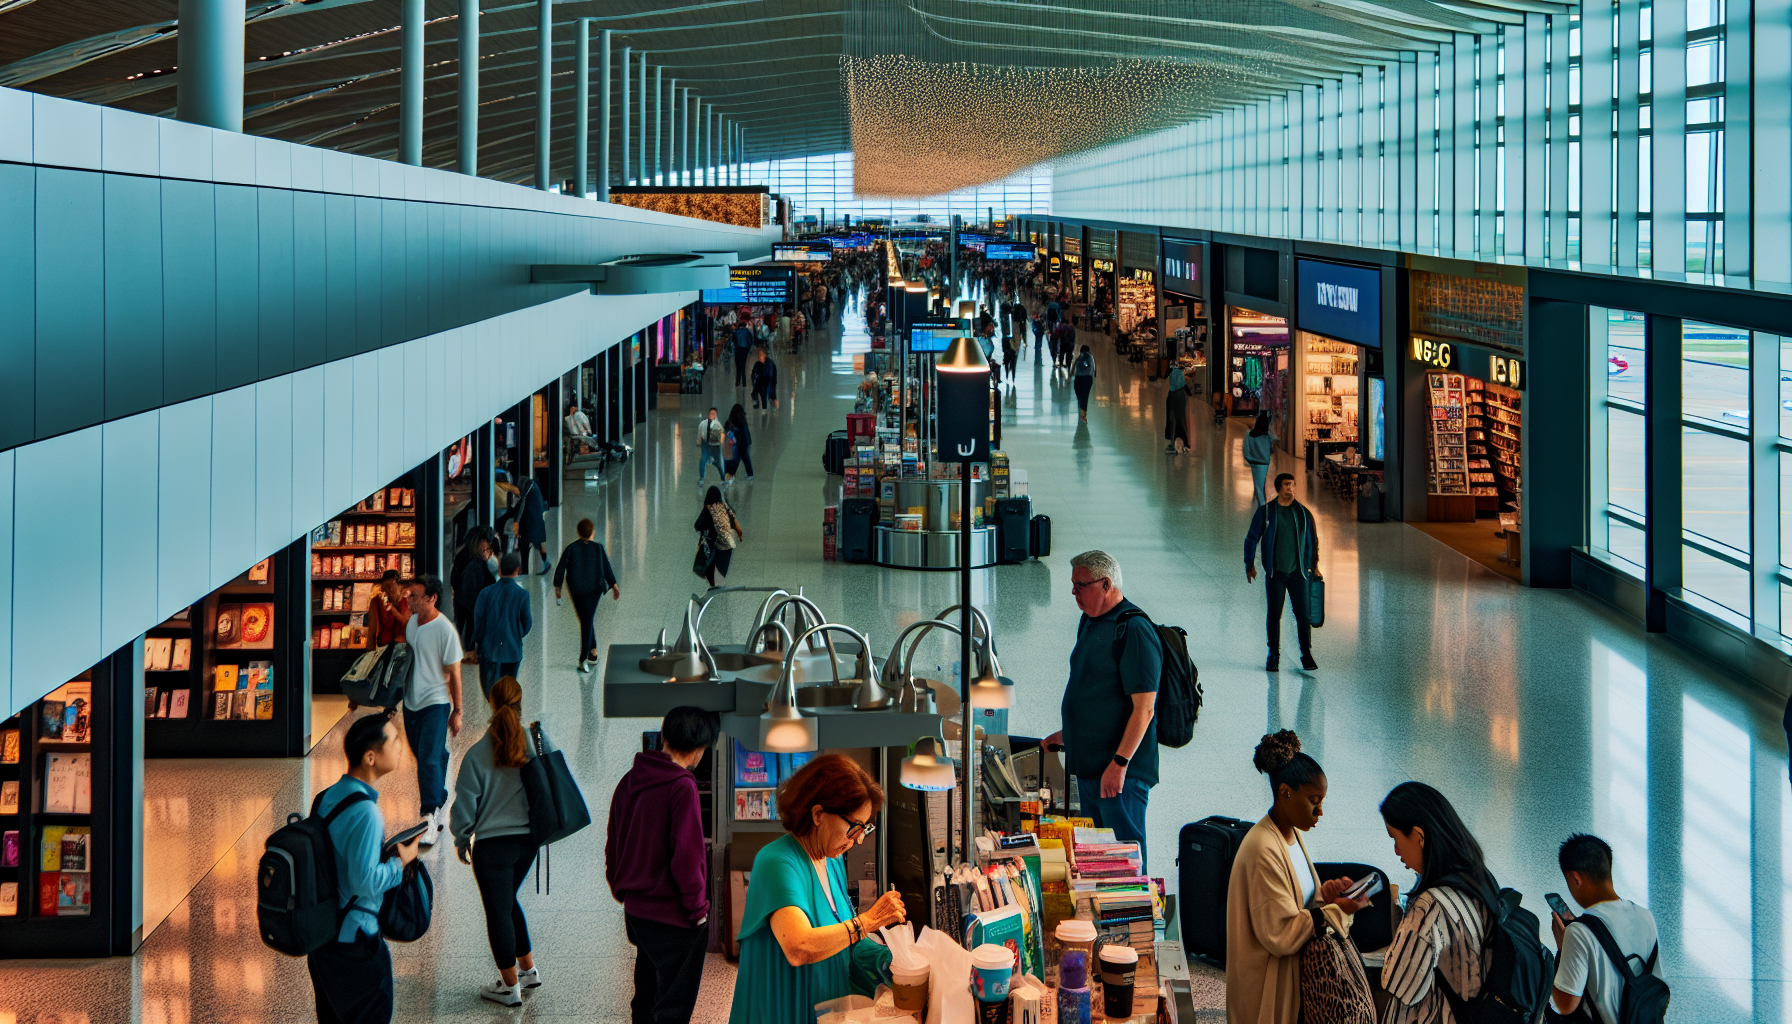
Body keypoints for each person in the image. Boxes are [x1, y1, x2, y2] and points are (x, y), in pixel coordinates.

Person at [726, 754, 908, 1024]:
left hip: (824, 1010)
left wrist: (895, 959)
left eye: (864, 828)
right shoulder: (777, 862)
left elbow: (843, 940)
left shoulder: (830, 861)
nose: (858, 841)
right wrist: (867, 922)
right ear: (818, 814)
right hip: (783, 1011)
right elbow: (799, 946)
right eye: (854, 827)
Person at [1225, 730, 1368, 1024]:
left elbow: (1299, 903)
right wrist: (1334, 911)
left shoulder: (1289, 834)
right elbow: (1281, 935)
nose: (1320, 811)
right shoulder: (1263, 848)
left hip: (1289, 982)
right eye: (1314, 800)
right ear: (1285, 792)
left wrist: (1326, 895)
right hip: (1267, 991)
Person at [1041, 550, 1161, 869]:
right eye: (1073, 585)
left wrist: (1119, 764)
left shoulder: (1134, 630)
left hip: (1120, 775)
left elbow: (1144, 709)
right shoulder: (1089, 622)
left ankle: (1136, 919)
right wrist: (1070, 735)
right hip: (1090, 769)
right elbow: (1096, 693)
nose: (1073, 592)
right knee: (1096, 860)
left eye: (1080, 585)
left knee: (1124, 861)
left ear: (1105, 584)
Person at [608, 707, 721, 1024]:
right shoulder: (682, 786)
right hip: (674, 917)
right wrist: (698, 910)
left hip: (637, 913)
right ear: (699, 749)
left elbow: (614, 841)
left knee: (645, 993)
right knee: (673, 1005)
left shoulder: (630, 780)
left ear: (665, 737)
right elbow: (688, 857)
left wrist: (623, 890)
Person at [308, 714, 422, 1024]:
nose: (400, 745)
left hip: (325, 939)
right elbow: (365, 881)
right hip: (356, 945)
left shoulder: (326, 797)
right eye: (393, 739)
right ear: (371, 757)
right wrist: (402, 862)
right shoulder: (367, 812)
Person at [449, 677, 541, 1007]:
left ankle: (509, 985)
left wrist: (461, 839)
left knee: (497, 911)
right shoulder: (535, 741)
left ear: (491, 703)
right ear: (519, 702)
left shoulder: (476, 753)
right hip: (528, 843)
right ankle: (528, 970)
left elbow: (464, 806)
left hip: (492, 848)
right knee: (507, 900)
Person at [1378, 781, 1501, 1024]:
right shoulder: (1480, 879)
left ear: (1419, 836)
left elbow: (1399, 984)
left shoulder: (1430, 906)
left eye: (1395, 838)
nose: (1395, 850)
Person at [1549, 833, 1662, 1024]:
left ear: (1575, 879)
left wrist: (1562, 948)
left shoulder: (1578, 931)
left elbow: (1565, 1005)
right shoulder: (1645, 915)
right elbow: (1656, 980)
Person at [403, 574, 464, 845]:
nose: (408, 599)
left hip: (435, 703)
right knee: (425, 755)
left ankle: (429, 817)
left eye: (414, 595)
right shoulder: (412, 624)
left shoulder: (445, 630)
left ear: (432, 598)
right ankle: (439, 795)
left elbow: (455, 672)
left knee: (427, 761)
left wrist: (458, 710)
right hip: (410, 704)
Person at [1244, 473, 1320, 673]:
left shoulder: (1303, 513)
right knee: (1274, 615)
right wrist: (1249, 563)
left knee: (1303, 616)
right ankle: (1273, 655)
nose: (1291, 488)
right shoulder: (1267, 512)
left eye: (1293, 484)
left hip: (1298, 574)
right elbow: (1251, 538)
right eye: (1287, 485)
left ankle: (1306, 654)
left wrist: (1314, 564)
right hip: (1275, 573)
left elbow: (1313, 540)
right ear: (1278, 488)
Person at [553, 518, 620, 674]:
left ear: (578, 532)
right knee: (586, 619)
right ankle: (584, 657)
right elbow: (607, 568)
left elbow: (560, 567)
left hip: (576, 590)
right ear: (592, 532)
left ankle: (592, 652)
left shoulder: (571, 548)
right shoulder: (598, 548)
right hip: (594, 590)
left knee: (585, 619)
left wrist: (558, 587)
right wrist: (614, 586)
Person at [471, 552, 531, 693]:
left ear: (499, 569)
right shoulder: (522, 595)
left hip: (489, 650)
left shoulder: (485, 593)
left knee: (490, 690)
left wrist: (479, 644)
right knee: (508, 690)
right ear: (517, 570)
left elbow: (478, 622)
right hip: (512, 650)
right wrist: (516, 633)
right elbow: (527, 622)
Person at [453, 529, 499, 655]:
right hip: (473, 607)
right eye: (487, 549)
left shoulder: (463, 557)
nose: (489, 553)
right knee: (470, 630)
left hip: (465, 605)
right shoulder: (475, 566)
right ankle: (470, 652)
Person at [695, 486, 742, 588]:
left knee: (712, 570)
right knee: (720, 571)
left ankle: (714, 589)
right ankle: (718, 587)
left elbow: (697, 525)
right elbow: (734, 521)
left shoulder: (709, 509)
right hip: (729, 545)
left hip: (717, 546)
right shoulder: (724, 506)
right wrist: (740, 533)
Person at [514, 479, 550, 575]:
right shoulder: (533, 487)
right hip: (534, 520)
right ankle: (545, 564)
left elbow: (521, 506)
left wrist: (516, 519)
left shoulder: (527, 490)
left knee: (527, 544)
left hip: (531, 522)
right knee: (534, 543)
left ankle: (527, 569)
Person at [369, 570, 410, 649]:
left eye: (392, 587)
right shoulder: (377, 602)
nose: (390, 590)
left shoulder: (405, 601)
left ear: (398, 586)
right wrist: (370, 650)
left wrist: (393, 609)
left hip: (401, 645)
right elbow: (372, 629)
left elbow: (405, 622)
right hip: (384, 645)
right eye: (388, 588)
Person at [1243, 412, 1277, 504]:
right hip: (1264, 463)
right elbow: (1275, 439)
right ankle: (1262, 506)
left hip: (1254, 463)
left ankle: (1262, 507)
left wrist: (1249, 459)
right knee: (1260, 485)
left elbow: (1245, 450)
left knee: (1258, 486)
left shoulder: (1250, 435)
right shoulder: (1267, 436)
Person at [1164, 362, 1190, 455]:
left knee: (1173, 420)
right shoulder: (1180, 373)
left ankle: (1174, 440)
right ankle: (1184, 442)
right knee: (1181, 420)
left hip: (1173, 396)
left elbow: (1164, 376)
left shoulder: (1172, 371)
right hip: (1179, 397)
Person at [725, 404, 754, 484]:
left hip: (739, 443)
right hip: (746, 443)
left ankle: (731, 475)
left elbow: (727, 430)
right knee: (745, 458)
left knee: (736, 459)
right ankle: (750, 475)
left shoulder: (733, 421)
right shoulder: (743, 421)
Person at [696, 408, 725, 484]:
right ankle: (701, 478)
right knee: (703, 460)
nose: (712, 415)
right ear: (708, 414)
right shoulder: (703, 424)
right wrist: (699, 442)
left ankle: (723, 478)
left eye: (714, 413)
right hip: (706, 444)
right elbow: (700, 434)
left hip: (715, 446)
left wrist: (721, 442)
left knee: (718, 463)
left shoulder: (718, 425)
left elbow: (722, 435)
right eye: (711, 413)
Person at [1072, 344, 1095, 421]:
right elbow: (1094, 368)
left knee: (1081, 397)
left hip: (1079, 379)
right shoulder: (1090, 357)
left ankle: (1082, 413)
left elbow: (1079, 365)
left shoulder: (1081, 357)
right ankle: (1082, 413)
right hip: (1088, 379)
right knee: (1084, 396)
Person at [732, 322, 754, 387]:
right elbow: (751, 341)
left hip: (738, 350)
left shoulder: (736, 332)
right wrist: (748, 349)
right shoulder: (748, 332)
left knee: (738, 366)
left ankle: (737, 382)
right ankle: (744, 383)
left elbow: (733, 341)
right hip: (745, 350)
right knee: (743, 366)